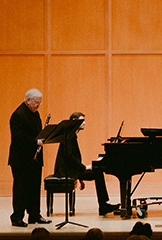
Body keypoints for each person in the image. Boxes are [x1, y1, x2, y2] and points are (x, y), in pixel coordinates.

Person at [54, 112, 119, 216]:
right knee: (97, 173)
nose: (84, 123)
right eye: (82, 120)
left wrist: (80, 177)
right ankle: (103, 206)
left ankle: (104, 205)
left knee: (97, 172)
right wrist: (84, 168)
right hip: (65, 172)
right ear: (74, 121)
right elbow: (69, 157)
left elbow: (72, 159)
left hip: (70, 169)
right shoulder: (69, 136)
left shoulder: (71, 134)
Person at [8, 88, 51, 226]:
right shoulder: (18, 115)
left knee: (34, 188)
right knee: (21, 189)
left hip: (34, 158)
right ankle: (17, 217)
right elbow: (18, 137)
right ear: (28, 101)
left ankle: (34, 215)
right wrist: (35, 141)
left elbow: (37, 132)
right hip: (21, 159)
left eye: (40, 103)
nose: (38, 105)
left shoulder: (35, 113)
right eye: (36, 102)